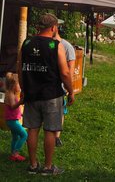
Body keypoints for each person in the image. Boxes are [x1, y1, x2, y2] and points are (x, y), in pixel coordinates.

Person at [18, 13, 75, 175]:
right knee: (50, 130)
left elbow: (20, 69)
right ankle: (48, 167)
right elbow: (64, 73)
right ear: (53, 27)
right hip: (52, 95)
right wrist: (71, 91)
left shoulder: (26, 43)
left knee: (33, 129)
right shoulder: (57, 46)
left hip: (31, 94)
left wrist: (23, 90)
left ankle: (33, 165)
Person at [54, 19, 76, 147]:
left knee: (60, 112)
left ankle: (57, 136)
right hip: (52, 87)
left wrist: (68, 87)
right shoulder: (50, 44)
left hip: (61, 86)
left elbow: (70, 71)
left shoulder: (67, 47)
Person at [4, 72, 28, 162]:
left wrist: (20, 113)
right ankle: (15, 153)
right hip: (12, 121)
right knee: (24, 135)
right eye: (19, 84)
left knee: (15, 137)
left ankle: (12, 155)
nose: (20, 86)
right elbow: (13, 106)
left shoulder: (12, 94)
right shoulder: (10, 94)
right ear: (13, 85)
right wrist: (20, 102)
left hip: (13, 120)